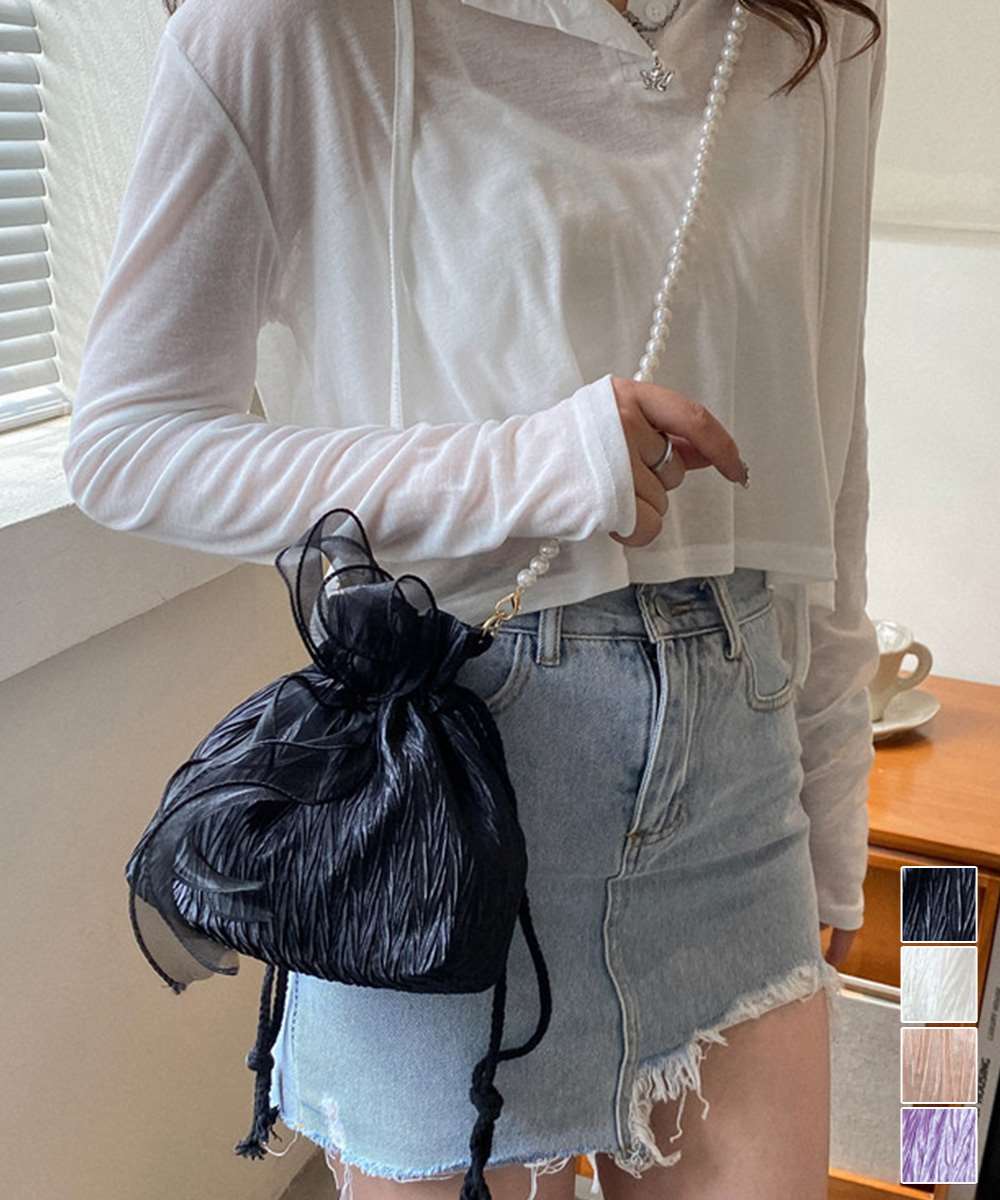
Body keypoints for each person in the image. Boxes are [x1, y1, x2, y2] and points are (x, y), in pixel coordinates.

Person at [63, 0, 888, 1197]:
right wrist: (525, 467)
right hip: (447, 787)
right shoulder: (292, 27)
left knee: (881, 1106)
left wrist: (830, 809)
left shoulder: (816, 28)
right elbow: (129, 443)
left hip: (738, 773)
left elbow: (830, 434)